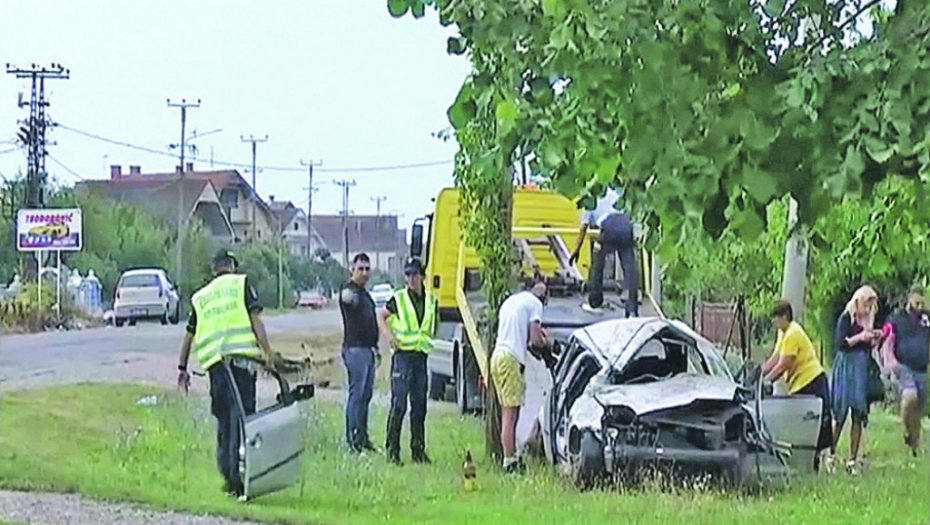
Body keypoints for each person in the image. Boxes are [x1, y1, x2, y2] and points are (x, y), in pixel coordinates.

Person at [176, 248, 274, 498]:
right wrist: (266, 353)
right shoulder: (241, 284)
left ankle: (229, 477)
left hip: (216, 368)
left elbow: (189, 335)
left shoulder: (202, 297)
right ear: (231, 265)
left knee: (224, 420)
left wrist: (182, 369)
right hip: (240, 364)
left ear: (213, 268)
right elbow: (256, 320)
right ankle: (241, 477)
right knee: (243, 419)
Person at [378, 258, 437, 466]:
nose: (411, 279)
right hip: (402, 357)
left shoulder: (431, 301)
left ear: (422, 277)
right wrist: (388, 336)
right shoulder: (399, 298)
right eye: (408, 275)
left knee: (419, 406)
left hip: (420, 358)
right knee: (399, 405)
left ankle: (418, 451)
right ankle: (392, 451)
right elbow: (382, 316)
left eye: (415, 275)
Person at [762, 299, 834, 471]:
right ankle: (807, 463)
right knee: (803, 426)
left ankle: (821, 462)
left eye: (776, 317)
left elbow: (784, 364)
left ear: (785, 316)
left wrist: (767, 380)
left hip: (811, 381)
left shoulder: (793, 333)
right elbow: (776, 357)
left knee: (817, 427)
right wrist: (760, 372)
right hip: (799, 383)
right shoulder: (783, 333)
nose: (774, 321)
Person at [490, 280, 550, 473]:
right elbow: (535, 340)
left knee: (505, 412)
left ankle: (509, 455)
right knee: (511, 414)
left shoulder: (512, 302)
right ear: (543, 297)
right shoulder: (536, 305)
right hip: (510, 360)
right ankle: (510, 462)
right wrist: (548, 343)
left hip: (497, 356)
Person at [832, 285, 883, 473]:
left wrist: (873, 338)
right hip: (847, 365)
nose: (868, 308)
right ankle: (831, 452)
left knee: (858, 414)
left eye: (871, 305)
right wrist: (860, 337)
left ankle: (852, 458)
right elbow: (840, 343)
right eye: (866, 303)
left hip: (861, 366)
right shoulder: (846, 318)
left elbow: (868, 344)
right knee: (840, 413)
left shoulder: (868, 319)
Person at [568, 186, 638, 317]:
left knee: (598, 264)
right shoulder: (613, 191)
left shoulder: (588, 200)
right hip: (625, 224)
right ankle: (632, 308)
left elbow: (583, 229)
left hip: (609, 226)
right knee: (629, 269)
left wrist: (575, 251)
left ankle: (595, 301)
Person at [881, 286, 929, 457]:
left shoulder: (926, 318)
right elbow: (886, 333)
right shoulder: (898, 317)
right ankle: (905, 427)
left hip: (922, 368)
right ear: (910, 299)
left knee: (918, 411)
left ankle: (914, 445)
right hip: (903, 366)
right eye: (917, 302)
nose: (919, 306)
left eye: (921, 303)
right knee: (909, 397)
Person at [339, 253, 380, 453]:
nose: (364, 273)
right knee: (356, 395)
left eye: (366, 269)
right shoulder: (350, 291)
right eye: (360, 269)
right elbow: (347, 300)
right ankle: (353, 442)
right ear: (352, 271)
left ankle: (363, 438)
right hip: (355, 350)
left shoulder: (365, 294)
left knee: (366, 396)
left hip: (369, 350)